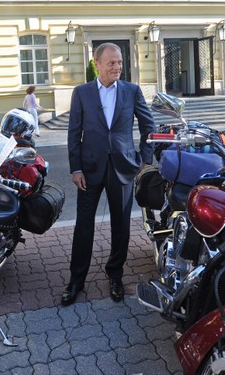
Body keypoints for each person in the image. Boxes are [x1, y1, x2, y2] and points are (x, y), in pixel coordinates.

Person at [62, 42, 155, 305]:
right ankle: (76, 280)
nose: (117, 67)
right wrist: (76, 168)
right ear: (97, 64)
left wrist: (145, 158)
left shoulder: (132, 91)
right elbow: (74, 133)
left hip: (123, 168)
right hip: (89, 170)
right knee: (84, 225)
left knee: (121, 225)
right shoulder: (82, 93)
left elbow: (148, 125)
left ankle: (115, 275)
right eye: (111, 62)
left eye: (120, 62)